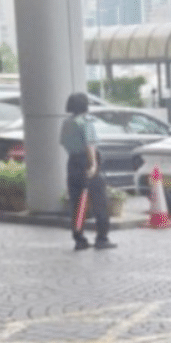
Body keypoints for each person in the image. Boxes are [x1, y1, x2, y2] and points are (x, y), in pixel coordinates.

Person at [59, 92, 116, 251]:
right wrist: (93, 165)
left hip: (72, 162)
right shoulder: (85, 122)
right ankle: (102, 238)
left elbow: (64, 143)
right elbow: (90, 145)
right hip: (86, 162)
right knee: (99, 201)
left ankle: (79, 239)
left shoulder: (66, 123)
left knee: (76, 202)